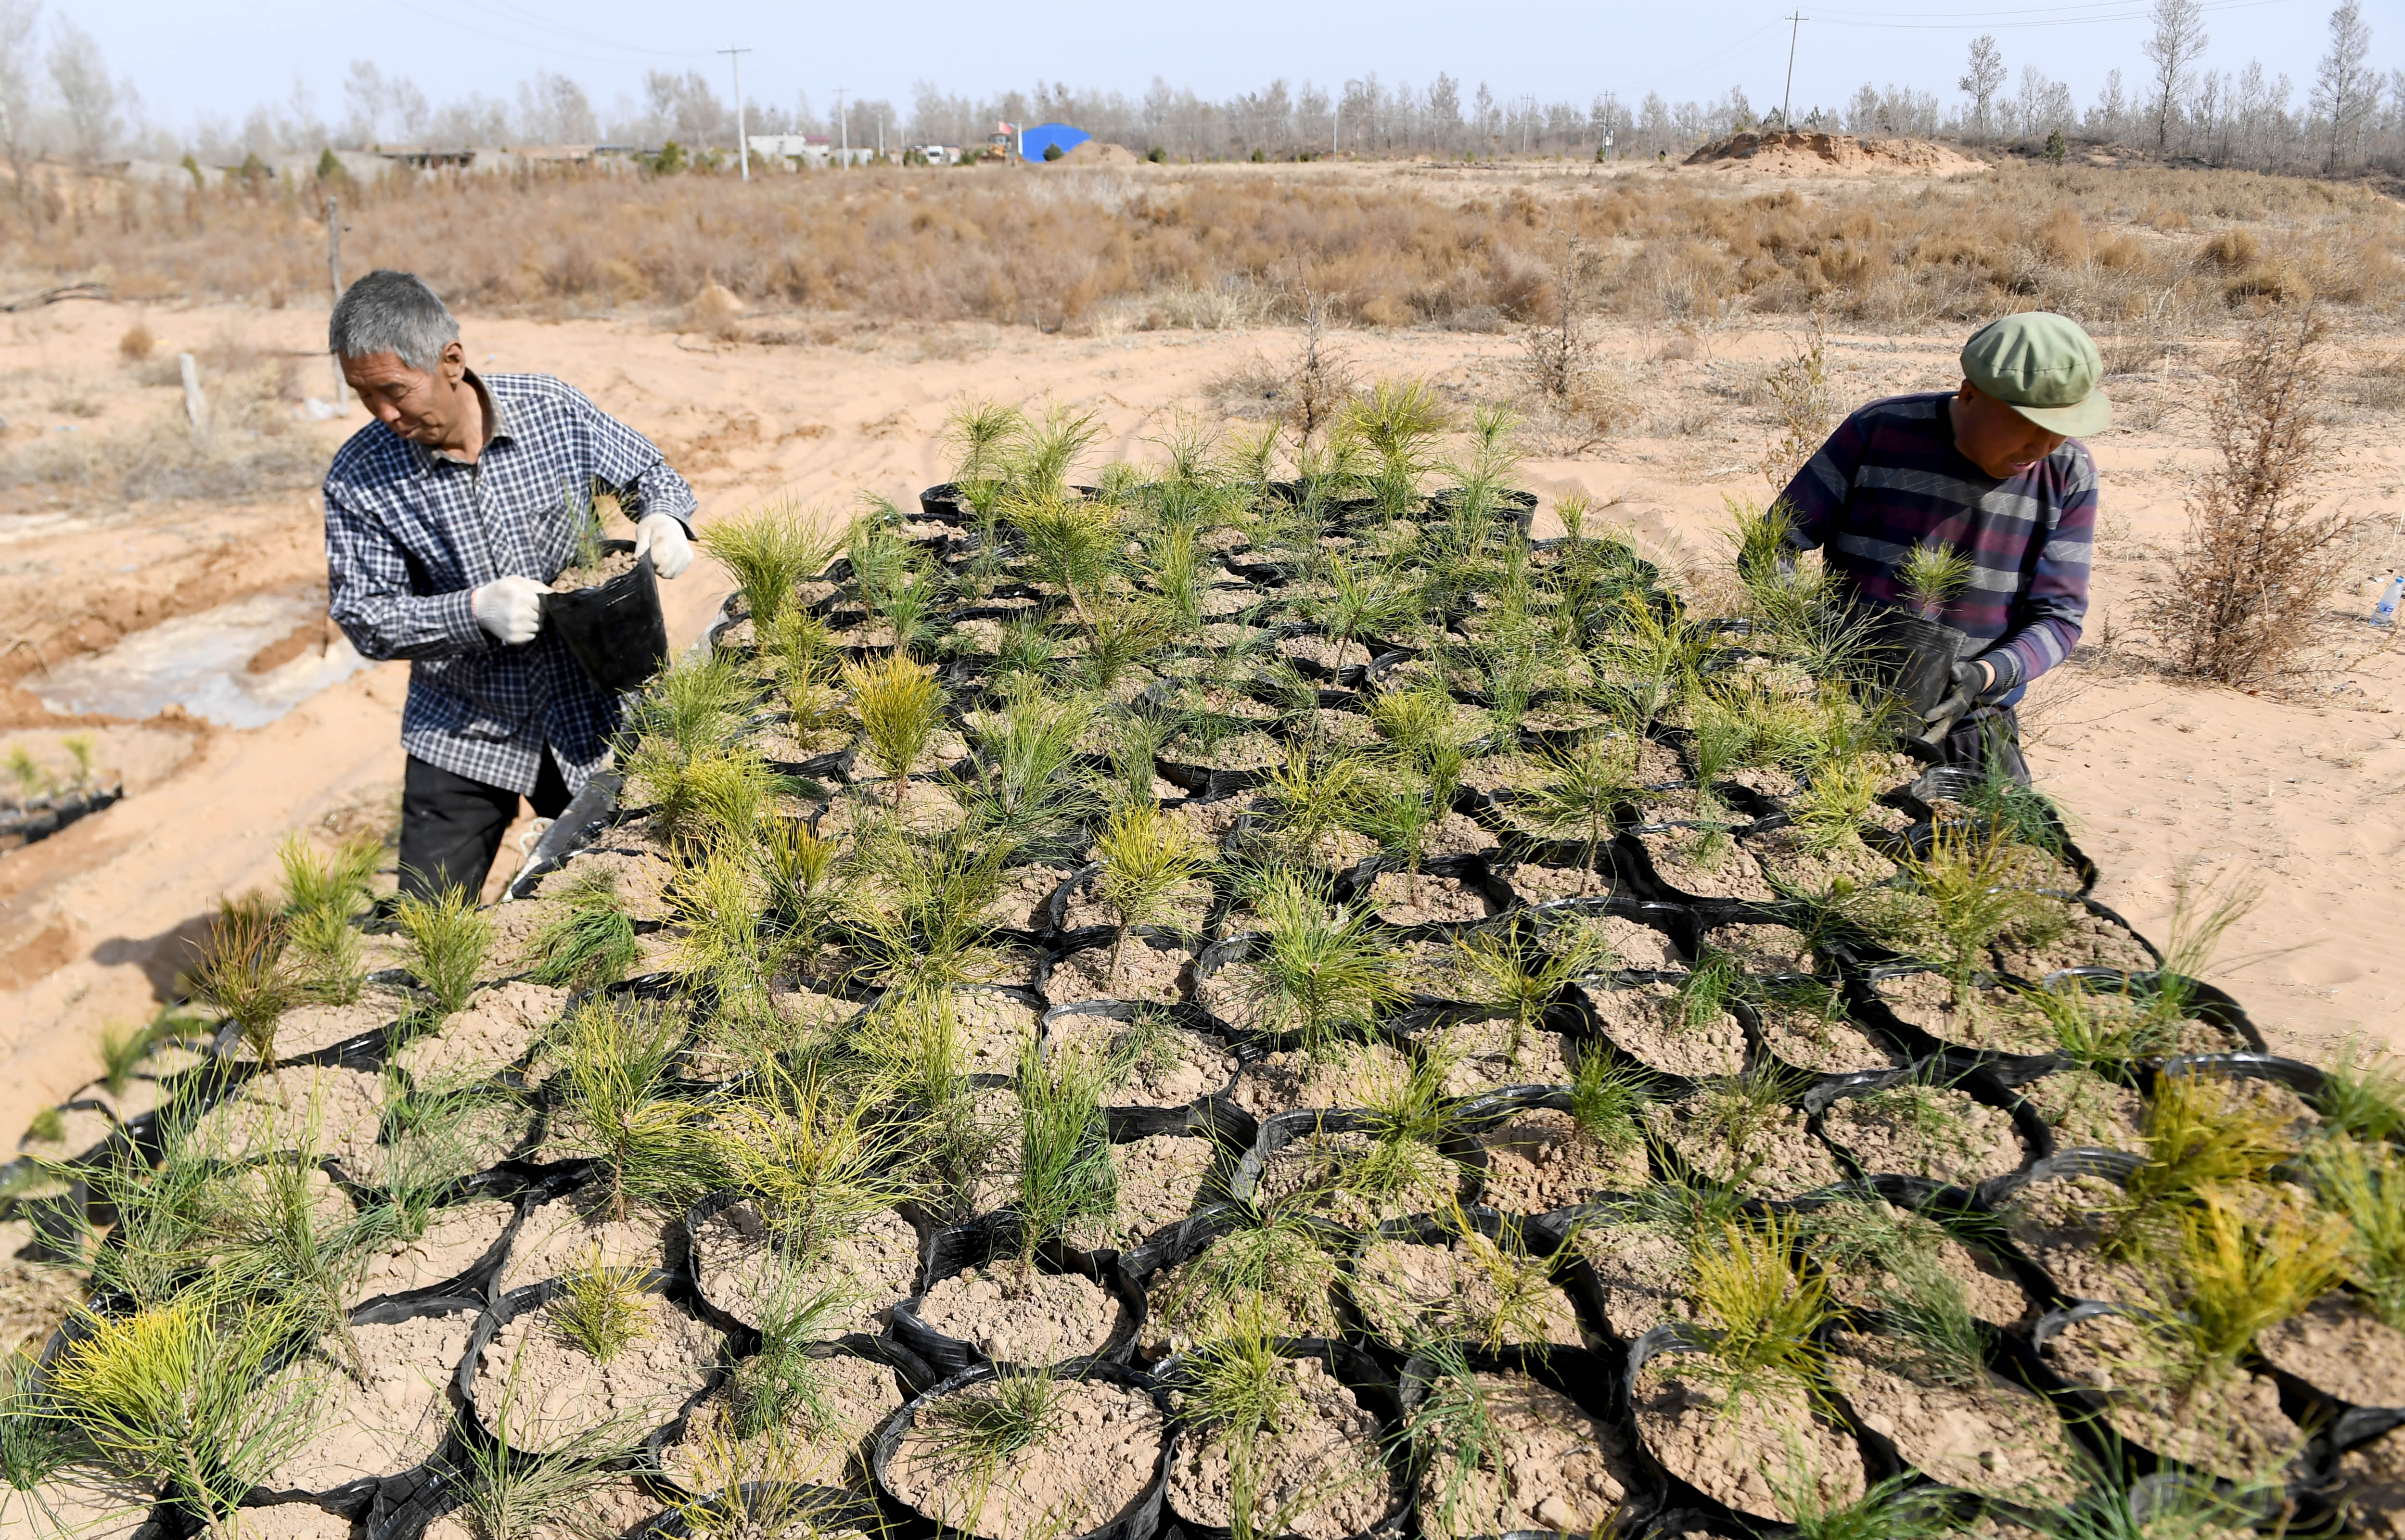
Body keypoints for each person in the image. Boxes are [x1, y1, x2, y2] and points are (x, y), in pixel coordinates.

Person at [322, 269, 698, 901]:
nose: (383, 415)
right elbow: (364, 615)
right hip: (463, 725)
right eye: (364, 397)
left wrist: (664, 516)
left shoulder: (550, 410)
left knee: (637, 886)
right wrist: (471, 611)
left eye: (394, 391)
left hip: (592, 708)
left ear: (451, 361)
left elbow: (648, 471)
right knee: (427, 927)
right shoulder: (360, 475)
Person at [1777, 310, 2106, 784]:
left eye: (2060, 428)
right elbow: (1775, 544)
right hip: (1839, 697)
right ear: (1970, 394)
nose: (2043, 445)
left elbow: (2058, 620)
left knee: (2002, 849)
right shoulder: (1879, 432)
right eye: (2027, 424)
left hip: (1967, 716)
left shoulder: (2069, 473)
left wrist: (1984, 676)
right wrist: (1809, 622)